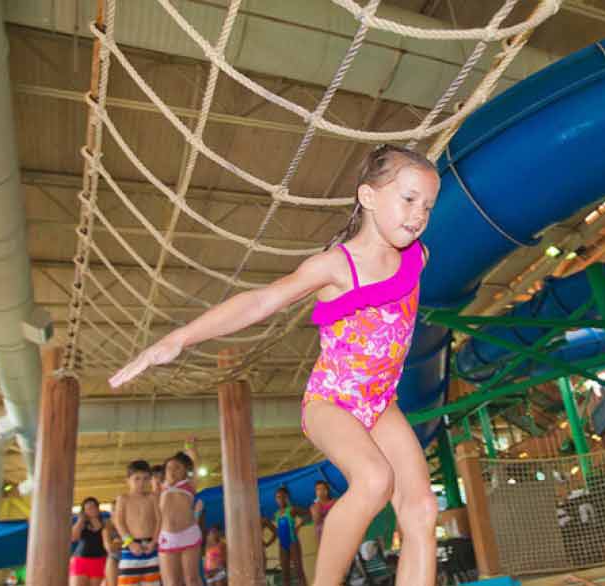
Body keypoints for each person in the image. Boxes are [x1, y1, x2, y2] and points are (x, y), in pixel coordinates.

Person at [110, 144, 441, 586]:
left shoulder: (415, 257)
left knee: (421, 510)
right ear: (367, 196)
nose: (419, 214)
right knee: (375, 479)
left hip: (380, 402)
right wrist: (178, 339)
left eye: (428, 205)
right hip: (332, 403)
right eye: (409, 199)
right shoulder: (335, 266)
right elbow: (262, 301)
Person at [157, 452, 203, 586]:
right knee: (172, 583)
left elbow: (195, 467)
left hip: (188, 534)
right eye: (169, 468)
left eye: (177, 467)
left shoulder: (189, 485)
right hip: (168, 537)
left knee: (192, 580)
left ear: (185, 471)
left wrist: (192, 450)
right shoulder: (160, 487)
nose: (172, 471)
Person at [114, 460, 161, 586]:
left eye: (146, 479)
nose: (141, 483)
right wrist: (130, 543)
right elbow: (119, 522)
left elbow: (159, 521)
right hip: (130, 548)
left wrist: (154, 542)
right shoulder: (123, 499)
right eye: (137, 479)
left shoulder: (153, 497)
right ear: (128, 480)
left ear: (150, 480)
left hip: (151, 548)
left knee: (153, 583)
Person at [264, 487, 309, 586]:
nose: (280, 499)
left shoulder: (292, 509)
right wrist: (269, 542)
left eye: (282, 496)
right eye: (277, 497)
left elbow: (308, 514)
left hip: (293, 542)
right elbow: (278, 530)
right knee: (285, 573)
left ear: (286, 497)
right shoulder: (276, 514)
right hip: (282, 545)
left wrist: (299, 526)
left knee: (298, 571)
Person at [71, 496, 108, 586]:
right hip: (81, 561)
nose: (91, 510)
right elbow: (73, 538)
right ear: (84, 511)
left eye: (93, 507)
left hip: (99, 561)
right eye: (88, 508)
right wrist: (80, 520)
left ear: (98, 508)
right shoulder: (81, 524)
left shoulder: (105, 523)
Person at [103, 501, 123, 586]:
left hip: (128, 557)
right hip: (114, 558)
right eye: (114, 509)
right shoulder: (107, 528)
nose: (116, 511)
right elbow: (109, 548)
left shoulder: (130, 524)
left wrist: (118, 543)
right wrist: (124, 542)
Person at [310, 479, 336, 544]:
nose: (321, 491)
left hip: (336, 533)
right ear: (315, 492)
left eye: (323, 489)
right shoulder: (313, 507)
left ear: (327, 490)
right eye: (318, 489)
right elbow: (317, 522)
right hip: (323, 538)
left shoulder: (335, 502)